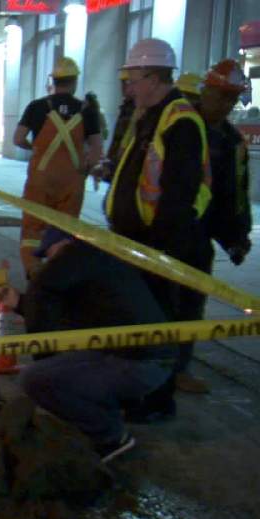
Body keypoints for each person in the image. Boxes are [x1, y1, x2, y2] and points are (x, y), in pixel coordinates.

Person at [0, 227, 176, 462]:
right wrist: (20, 302)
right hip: (143, 356)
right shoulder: (97, 263)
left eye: (50, 254)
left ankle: (110, 437)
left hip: (139, 362)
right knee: (51, 372)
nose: (49, 262)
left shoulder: (70, 262)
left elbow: (45, 305)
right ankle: (104, 413)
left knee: (36, 379)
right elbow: (70, 313)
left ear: (64, 245)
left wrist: (46, 363)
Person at [105, 38, 212, 422]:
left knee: (158, 330)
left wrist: (159, 253)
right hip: (139, 245)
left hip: (160, 249)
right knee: (140, 329)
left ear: (153, 77)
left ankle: (155, 401)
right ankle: (139, 394)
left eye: (133, 79)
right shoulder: (150, 116)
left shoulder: (179, 121)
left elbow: (178, 198)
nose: (128, 87)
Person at [172, 59, 253, 394]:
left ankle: (178, 369)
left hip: (197, 237)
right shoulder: (178, 124)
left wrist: (237, 236)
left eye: (232, 99)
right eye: (221, 96)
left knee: (190, 303)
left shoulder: (232, 142)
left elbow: (233, 194)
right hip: (163, 231)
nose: (226, 105)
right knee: (153, 301)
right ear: (205, 90)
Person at [12, 57, 104, 279]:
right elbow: (96, 149)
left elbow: (17, 139)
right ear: (74, 81)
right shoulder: (87, 110)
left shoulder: (37, 107)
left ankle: (34, 273)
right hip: (71, 182)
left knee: (33, 230)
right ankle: (58, 277)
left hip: (40, 180)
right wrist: (88, 168)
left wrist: (34, 148)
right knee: (64, 231)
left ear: (53, 80)